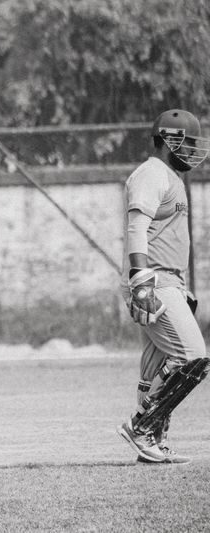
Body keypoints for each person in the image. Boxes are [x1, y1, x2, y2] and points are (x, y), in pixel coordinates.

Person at [117, 109, 210, 464]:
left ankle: (151, 442)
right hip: (154, 279)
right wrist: (141, 279)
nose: (192, 151)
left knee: (154, 370)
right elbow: (136, 227)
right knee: (193, 357)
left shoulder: (168, 175)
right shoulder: (152, 173)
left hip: (168, 279)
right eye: (188, 142)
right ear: (170, 139)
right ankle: (142, 426)